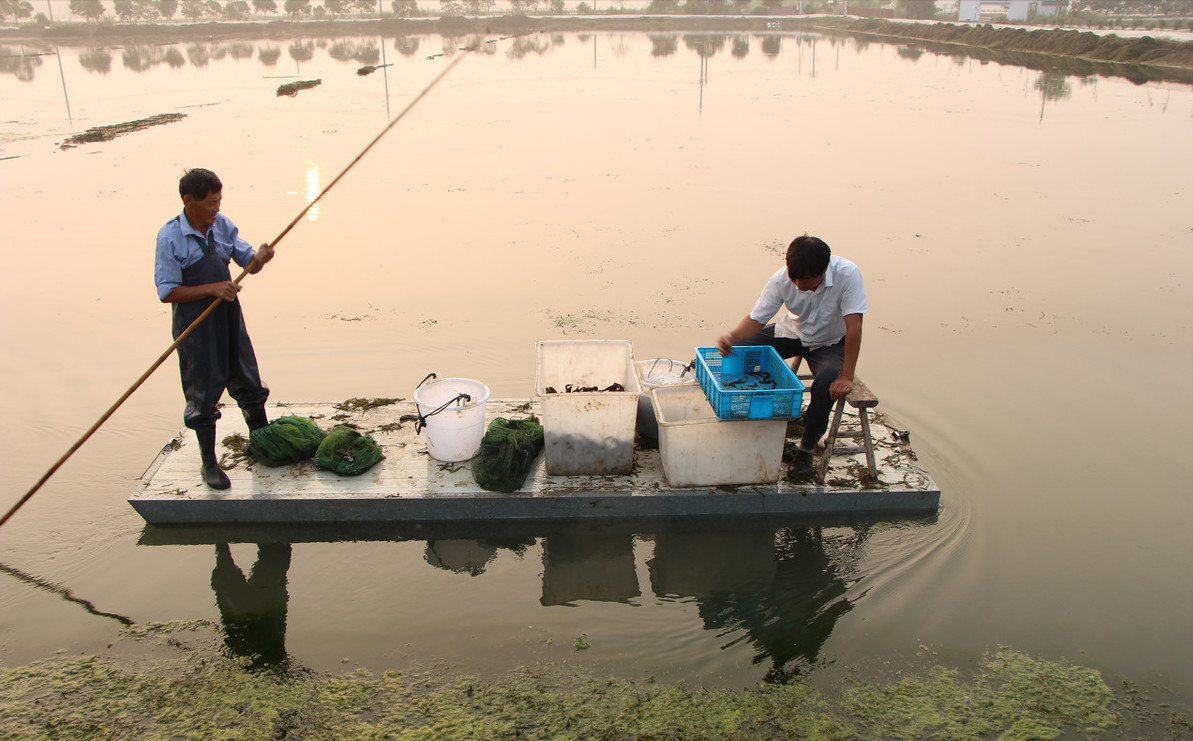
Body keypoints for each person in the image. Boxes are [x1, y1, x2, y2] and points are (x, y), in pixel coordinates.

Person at [155, 168, 274, 490]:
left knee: (247, 378)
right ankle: (209, 464)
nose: (216, 208)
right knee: (203, 392)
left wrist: (259, 259)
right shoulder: (170, 237)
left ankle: (262, 445)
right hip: (195, 324)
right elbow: (167, 292)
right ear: (188, 201)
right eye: (210, 202)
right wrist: (212, 289)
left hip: (227, 316)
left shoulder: (222, 226)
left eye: (219, 200)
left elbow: (247, 259)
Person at [716, 235, 867, 480]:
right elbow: (756, 320)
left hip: (830, 343)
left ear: (823, 271)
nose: (798, 284)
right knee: (742, 349)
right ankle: (750, 424)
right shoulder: (781, 279)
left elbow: (855, 327)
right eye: (794, 277)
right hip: (794, 332)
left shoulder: (848, 274)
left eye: (806, 279)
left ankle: (805, 451)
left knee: (827, 384)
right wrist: (732, 337)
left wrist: (847, 375)